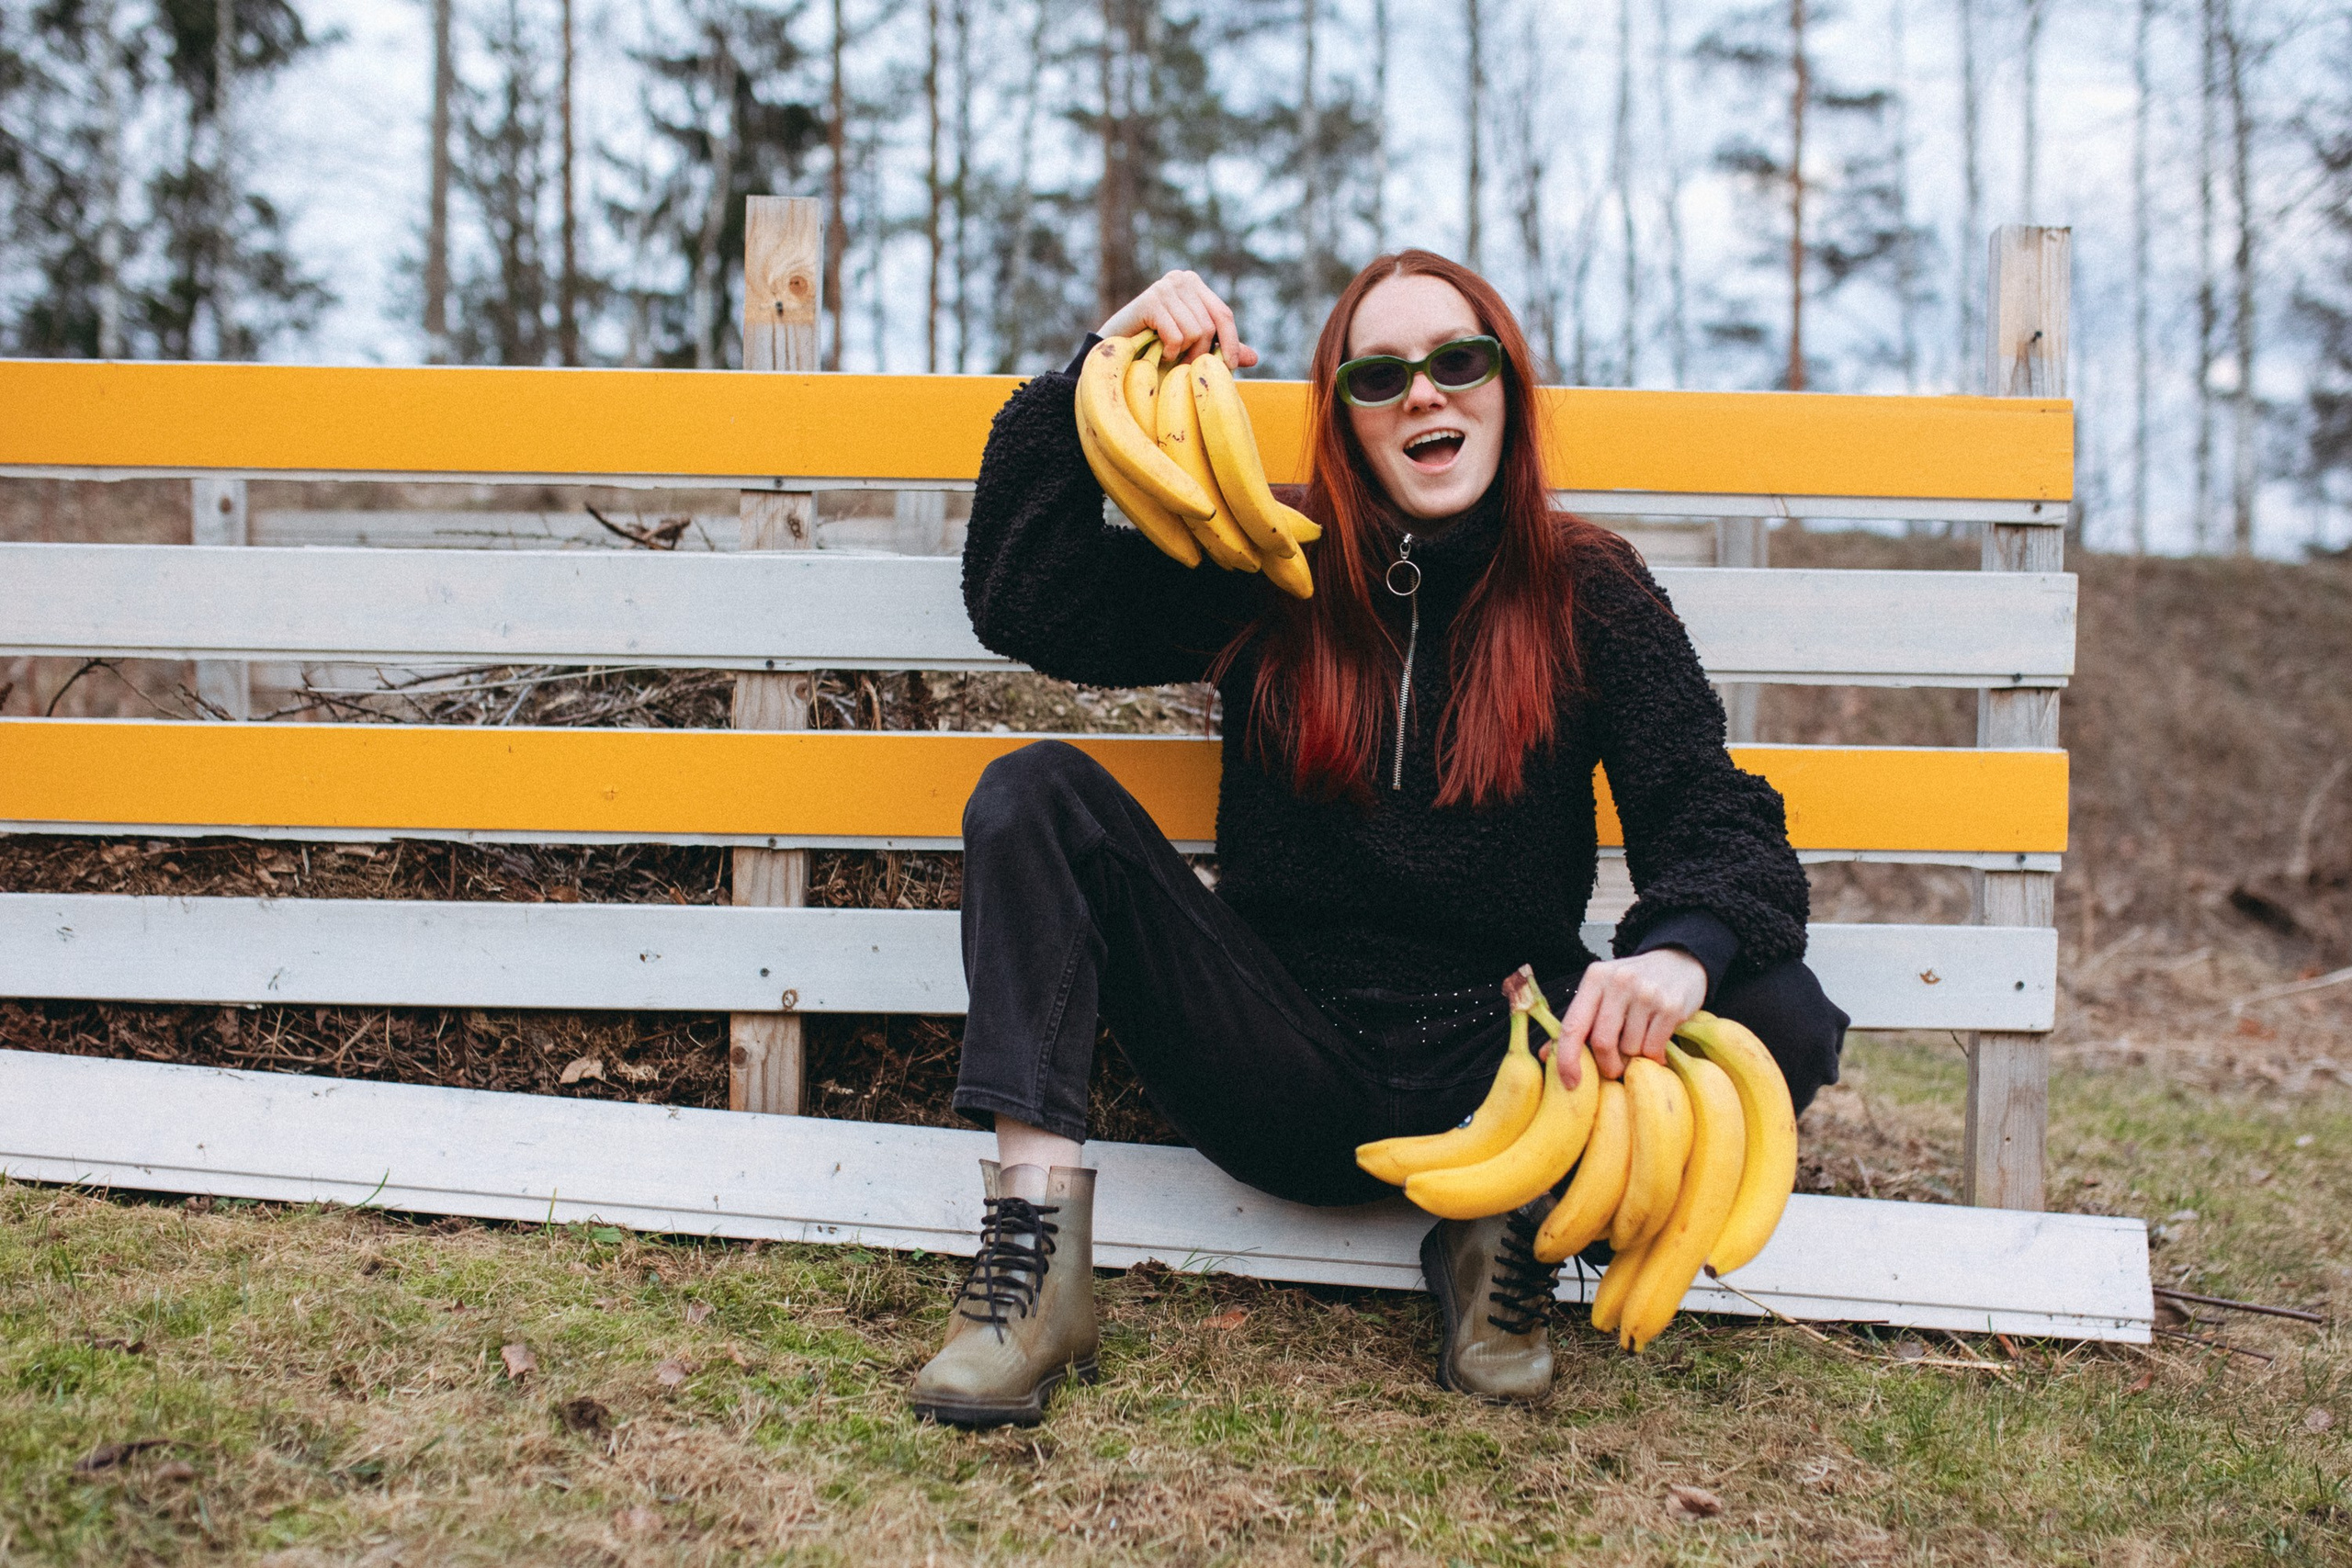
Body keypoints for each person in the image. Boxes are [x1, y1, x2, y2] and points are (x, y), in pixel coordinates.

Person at [909, 252, 1848, 1427]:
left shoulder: (1589, 590)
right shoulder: (1269, 564)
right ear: (1344, 418)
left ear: (1506, 387)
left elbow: (1711, 813)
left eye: (1459, 362)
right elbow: (1025, 598)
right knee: (1032, 790)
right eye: (1380, 375)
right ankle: (1031, 1275)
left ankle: (1503, 1239)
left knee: (1779, 1011)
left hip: (1512, 1054)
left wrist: (1678, 951)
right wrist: (1100, 356)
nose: (1424, 394)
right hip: (1282, 1052)